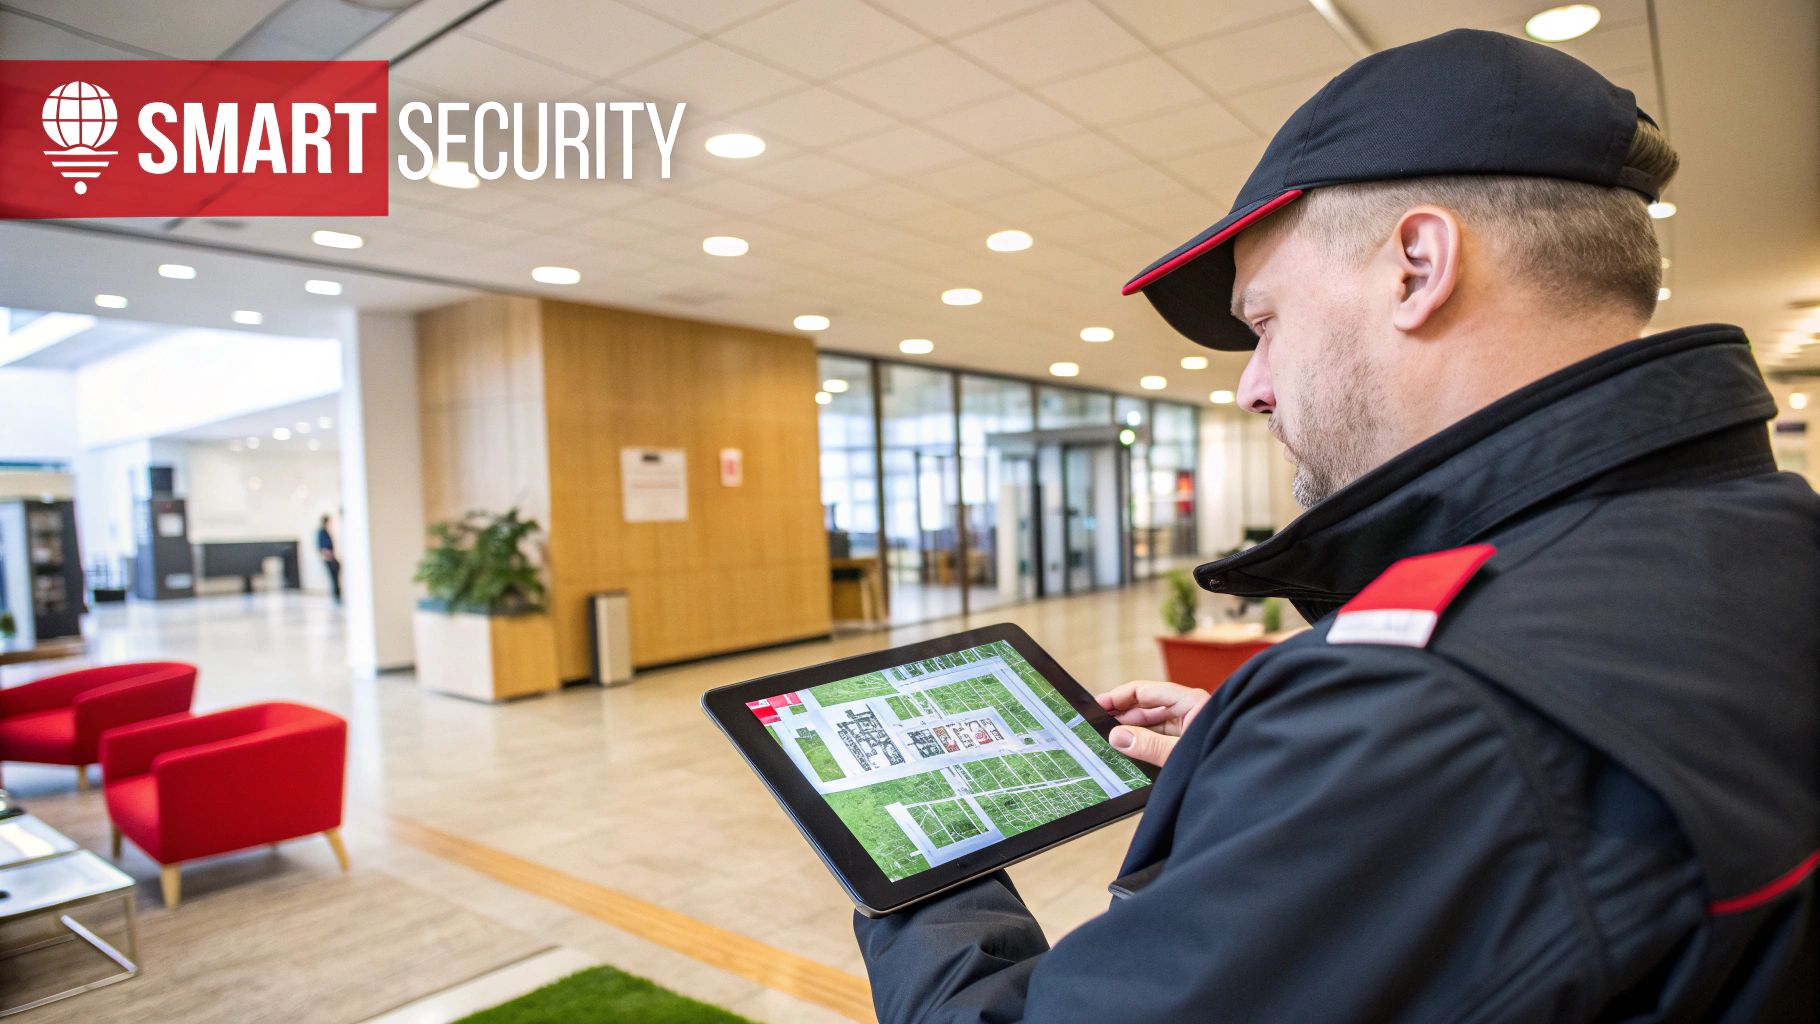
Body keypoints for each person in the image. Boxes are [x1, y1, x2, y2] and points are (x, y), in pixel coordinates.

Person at [853, 29, 1817, 1022]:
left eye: (1263, 320)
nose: (1250, 387)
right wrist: (1268, 766)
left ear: (1415, 263)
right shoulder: (1762, 534)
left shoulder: (1433, 703)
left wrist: (912, 850)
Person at [316, 513, 341, 605]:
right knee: (333, 578)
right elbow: (323, 548)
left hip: (332, 557)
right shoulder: (322, 532)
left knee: (336, 578)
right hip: (329, 559)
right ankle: (336, 597)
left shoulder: (325, 531)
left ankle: (337, 596)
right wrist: (330, 557)